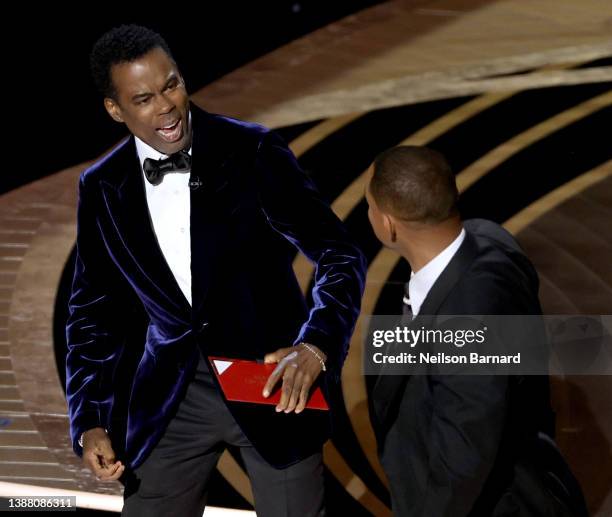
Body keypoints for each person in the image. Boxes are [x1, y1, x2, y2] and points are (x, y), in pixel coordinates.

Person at [65, 24, 367, 516]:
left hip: (272, 386)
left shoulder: (252, 152)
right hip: (172, 399)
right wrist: (90, 418)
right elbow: (91, 314)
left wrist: (317, 345)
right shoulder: (101, 186)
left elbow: (339, 254)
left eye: (172, 84)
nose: (166, 106)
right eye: (144, 98)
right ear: (115, 110)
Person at [364, 146, 588, 516]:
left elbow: (465, 457)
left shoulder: (465, 326)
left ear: (388, 225)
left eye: (370, 206)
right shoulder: (492, 239)